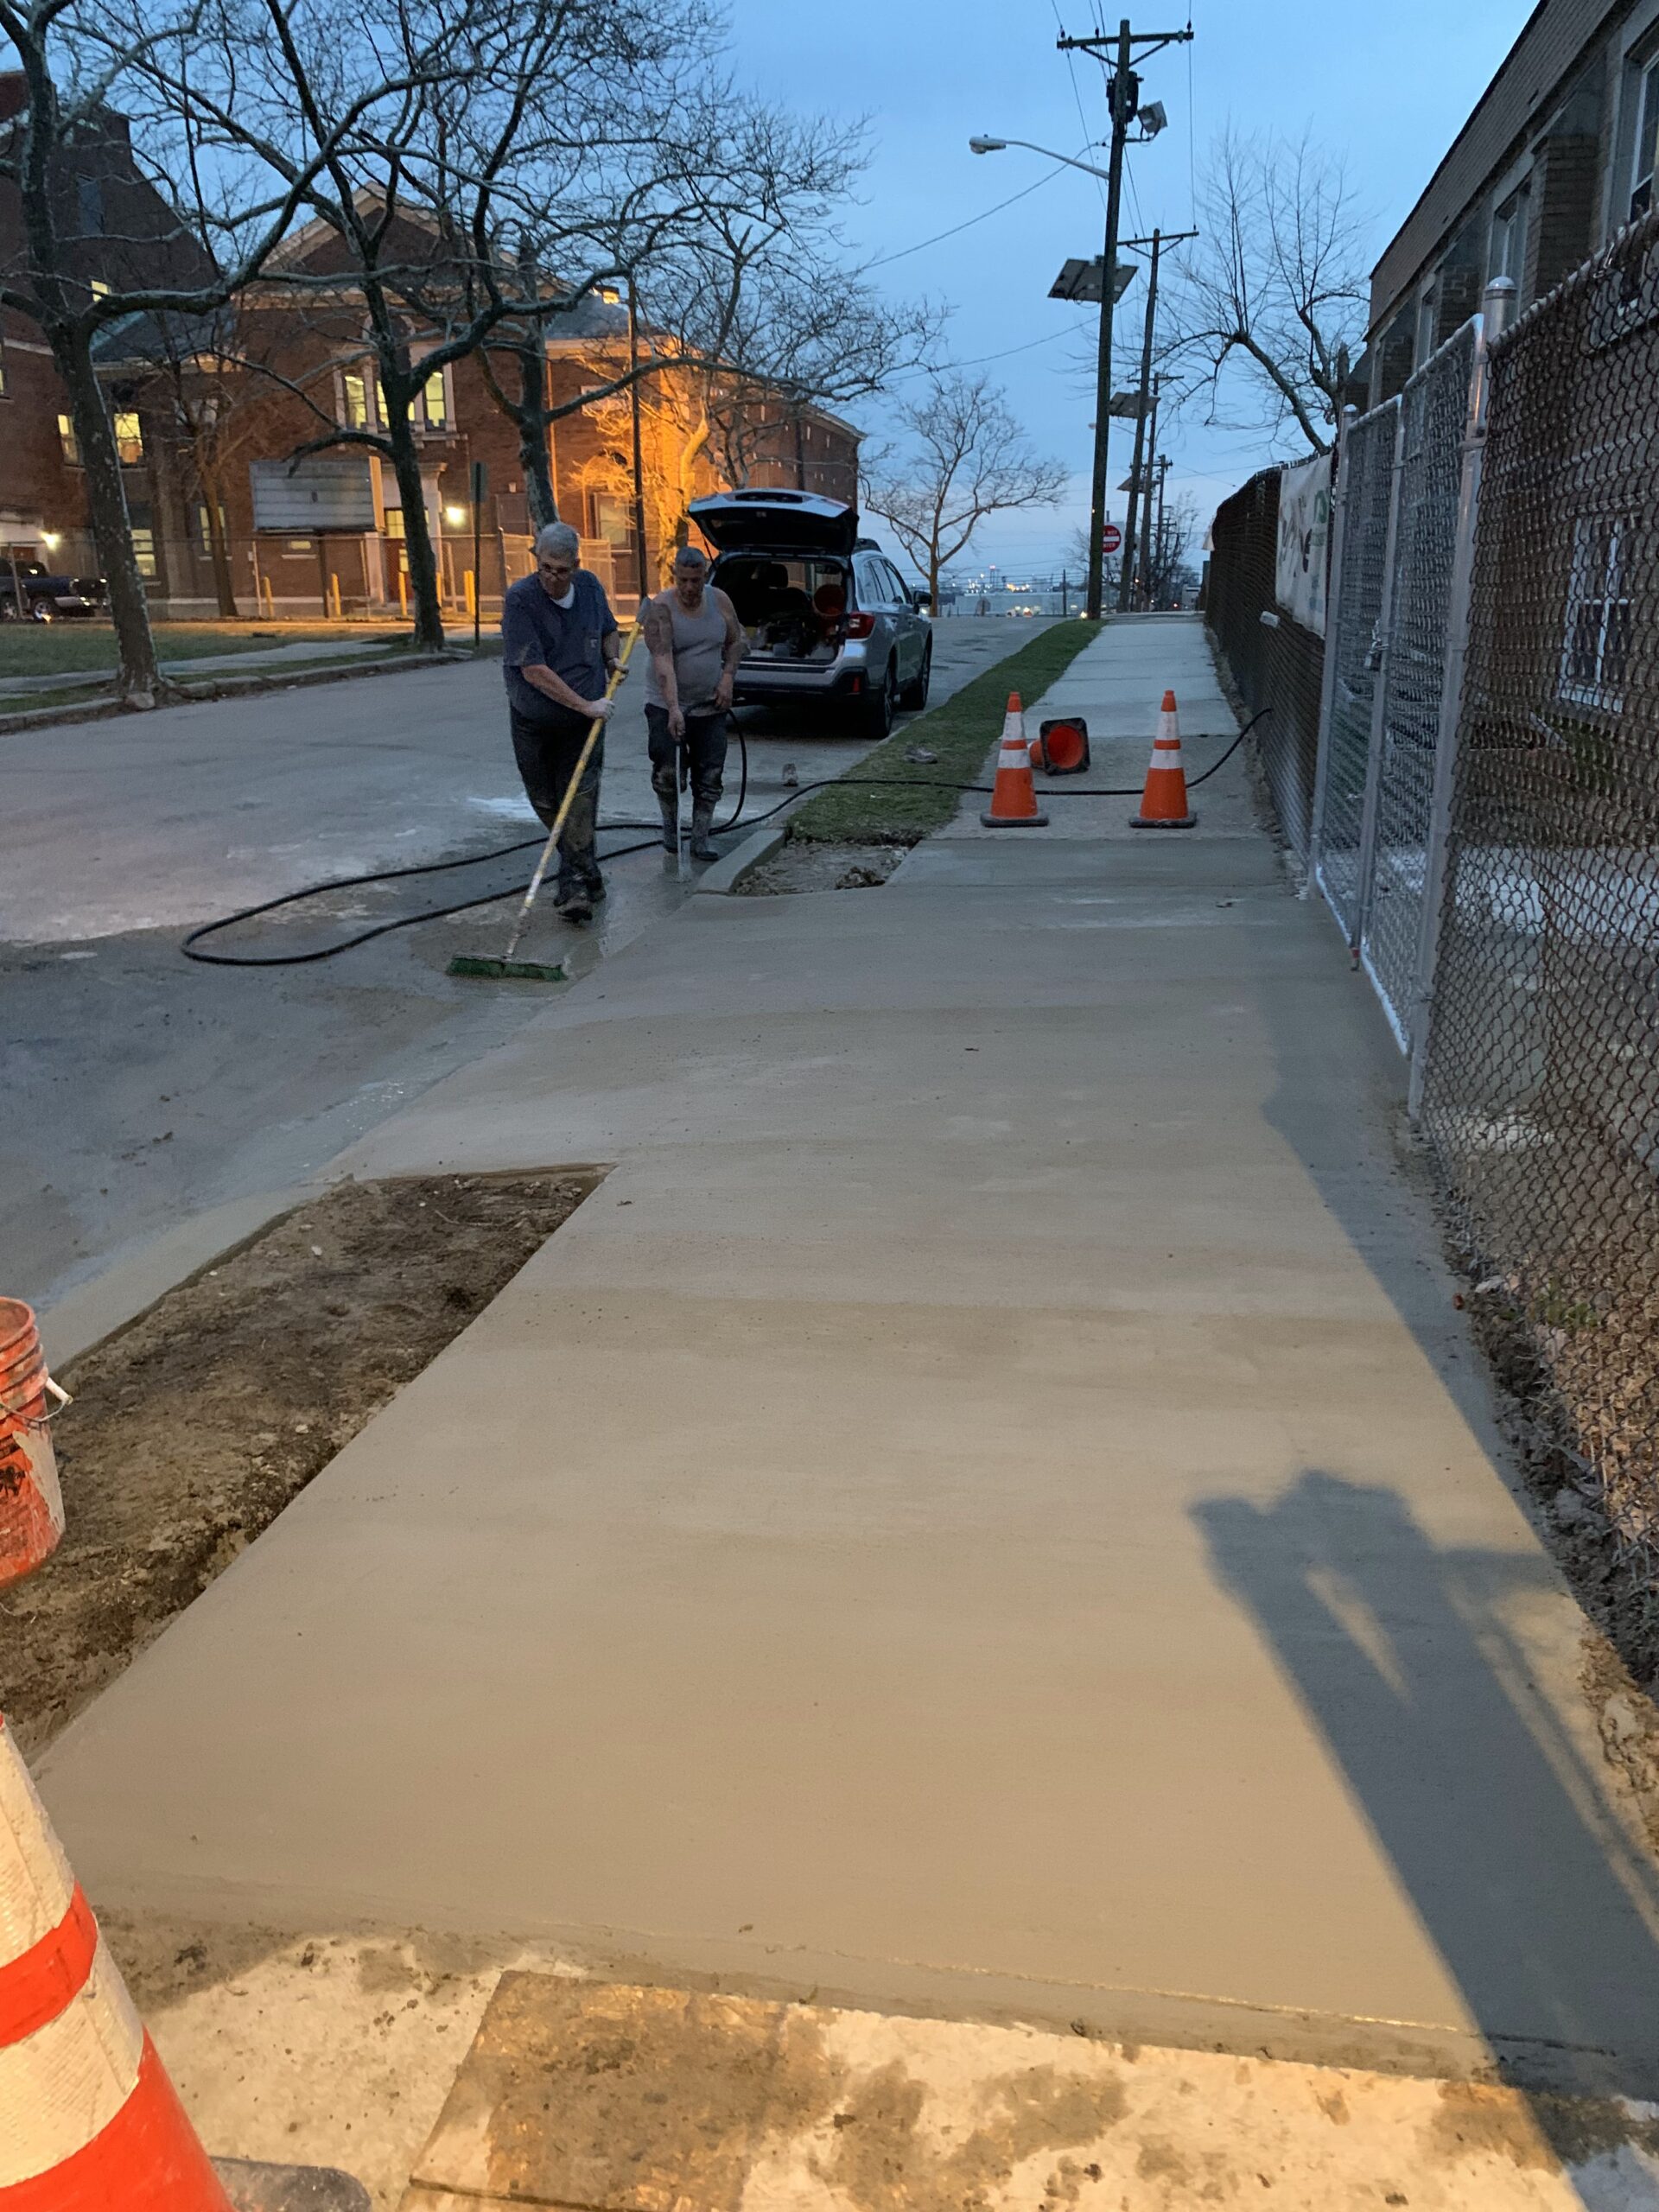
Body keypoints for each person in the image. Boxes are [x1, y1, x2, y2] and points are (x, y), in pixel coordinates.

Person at [499, 521, 621, 923]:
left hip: (581, 725)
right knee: (546, 802)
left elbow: (608, 629)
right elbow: (533, 669)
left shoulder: (589, 588)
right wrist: (585, 705)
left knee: (580, 802)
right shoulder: (521, 600)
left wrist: (611, 659)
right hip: (534, 721)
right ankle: (588, 873)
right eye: (545, 567)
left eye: (561, 570)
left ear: (576, 565)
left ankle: (573, 887)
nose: (552, 577)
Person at [643, 544, 745, 861]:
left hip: (710, 705)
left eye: (696, 581)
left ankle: (701, 838)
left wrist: (727, 677)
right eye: (683, 580)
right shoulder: (660, 608)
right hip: (666, 705)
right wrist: (674, 708)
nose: (689, 588)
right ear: (675, 576)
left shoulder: (720, 601)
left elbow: (736, 640)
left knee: (710, 773)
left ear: (705, 577)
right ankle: (671, 832)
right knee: (669, 774)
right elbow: (663, 661)